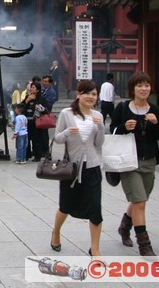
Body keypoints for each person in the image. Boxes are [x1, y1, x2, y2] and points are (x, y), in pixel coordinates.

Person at [112, 72, 159, 256]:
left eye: (147, 85)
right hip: (129, 162)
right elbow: (112, 132)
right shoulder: (123, 107)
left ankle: (124, 227)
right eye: (139, 86)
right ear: (132, 89)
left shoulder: (155, 110)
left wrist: (156, 123)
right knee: (140, 202)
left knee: (139, 200)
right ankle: (144, 245)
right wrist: (122, 127)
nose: (144, 89)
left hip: (149, 161)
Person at [50, 79, 105, 257]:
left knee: (95, 208)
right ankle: (56, 232)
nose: (90, 97)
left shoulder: (98, 116)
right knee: (65, 206)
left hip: (93, 167)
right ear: (78, 95)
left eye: (94, 94)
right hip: (72, 169)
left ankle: (95, 249)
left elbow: (99, 143)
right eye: (87, 93)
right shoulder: (67, 114)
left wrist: (100, 126)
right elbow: (57, 138)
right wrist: (67, 132)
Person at [22, 81, 50, 162]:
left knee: (36, 139)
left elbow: (46, 109)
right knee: (26, 138)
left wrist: (40, 107)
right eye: (31, 87)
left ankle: (37, 155)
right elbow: (21, 107)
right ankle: (27, 155)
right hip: (27, 121)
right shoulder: (28, 96)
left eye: (33, 87)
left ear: (37, 90)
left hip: (36, 122)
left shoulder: (41, 98)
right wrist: (27, 100)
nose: (31, 89)